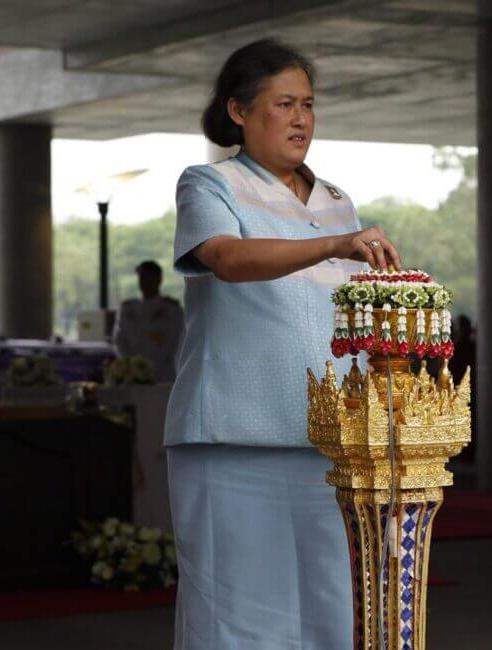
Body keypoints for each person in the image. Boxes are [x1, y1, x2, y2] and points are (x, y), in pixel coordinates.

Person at [165, 39, 402, 649]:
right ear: (238, 111)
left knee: (331, 604)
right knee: (235, 613)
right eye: (284, 104)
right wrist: (333, 245)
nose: (301, 120)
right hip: (232, 436)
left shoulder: (336, 201)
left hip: (327, 440)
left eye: (308, 105)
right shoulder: (209, 183)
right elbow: (227, 259)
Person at [113, 260, 184, 382]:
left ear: (159, 280)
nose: (144, 282)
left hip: (162, 375)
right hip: (132, 375)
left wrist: (148, 366)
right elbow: (119, 341)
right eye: (142, 278)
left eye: (149, 277)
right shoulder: (127, 309)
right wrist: (134, 364)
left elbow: (174, 342)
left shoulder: (172, 310)